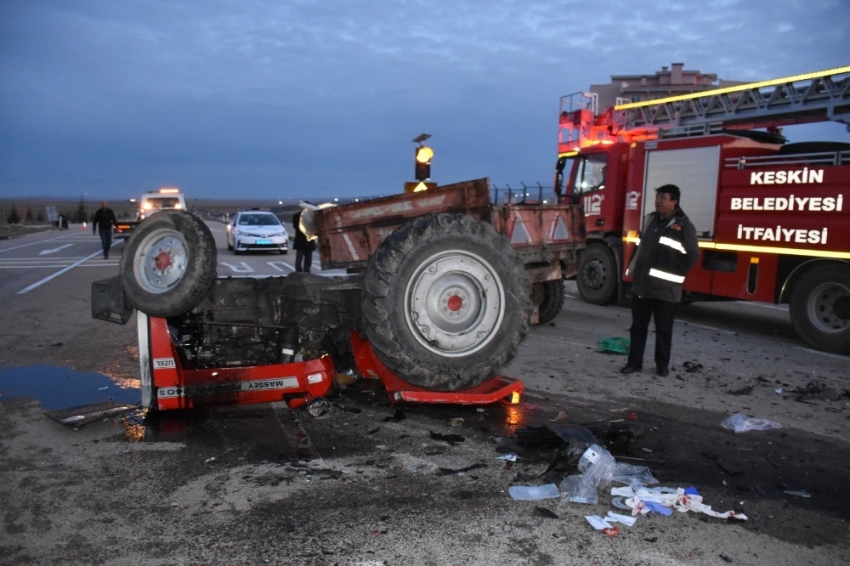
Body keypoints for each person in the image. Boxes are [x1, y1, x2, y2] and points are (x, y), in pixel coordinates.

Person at [620, 184, 699, 377]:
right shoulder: (650, 220)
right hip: (643, 286)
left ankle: (661, 365)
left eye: (663, 198)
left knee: (664, 329)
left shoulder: (683, 225)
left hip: (666, 289)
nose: (658, 201)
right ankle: (634, 362)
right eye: (657, 197)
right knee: (638, 327)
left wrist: (676, 272)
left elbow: (692, 255)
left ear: (674, 202)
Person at [292, 209, 316, 273]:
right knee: (306, 258)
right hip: (306, 239)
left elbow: (295, 226)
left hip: (301, 240)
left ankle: (300, 271)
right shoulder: (312, 216)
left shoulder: (297, 215)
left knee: (301, 258)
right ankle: (305, 271)